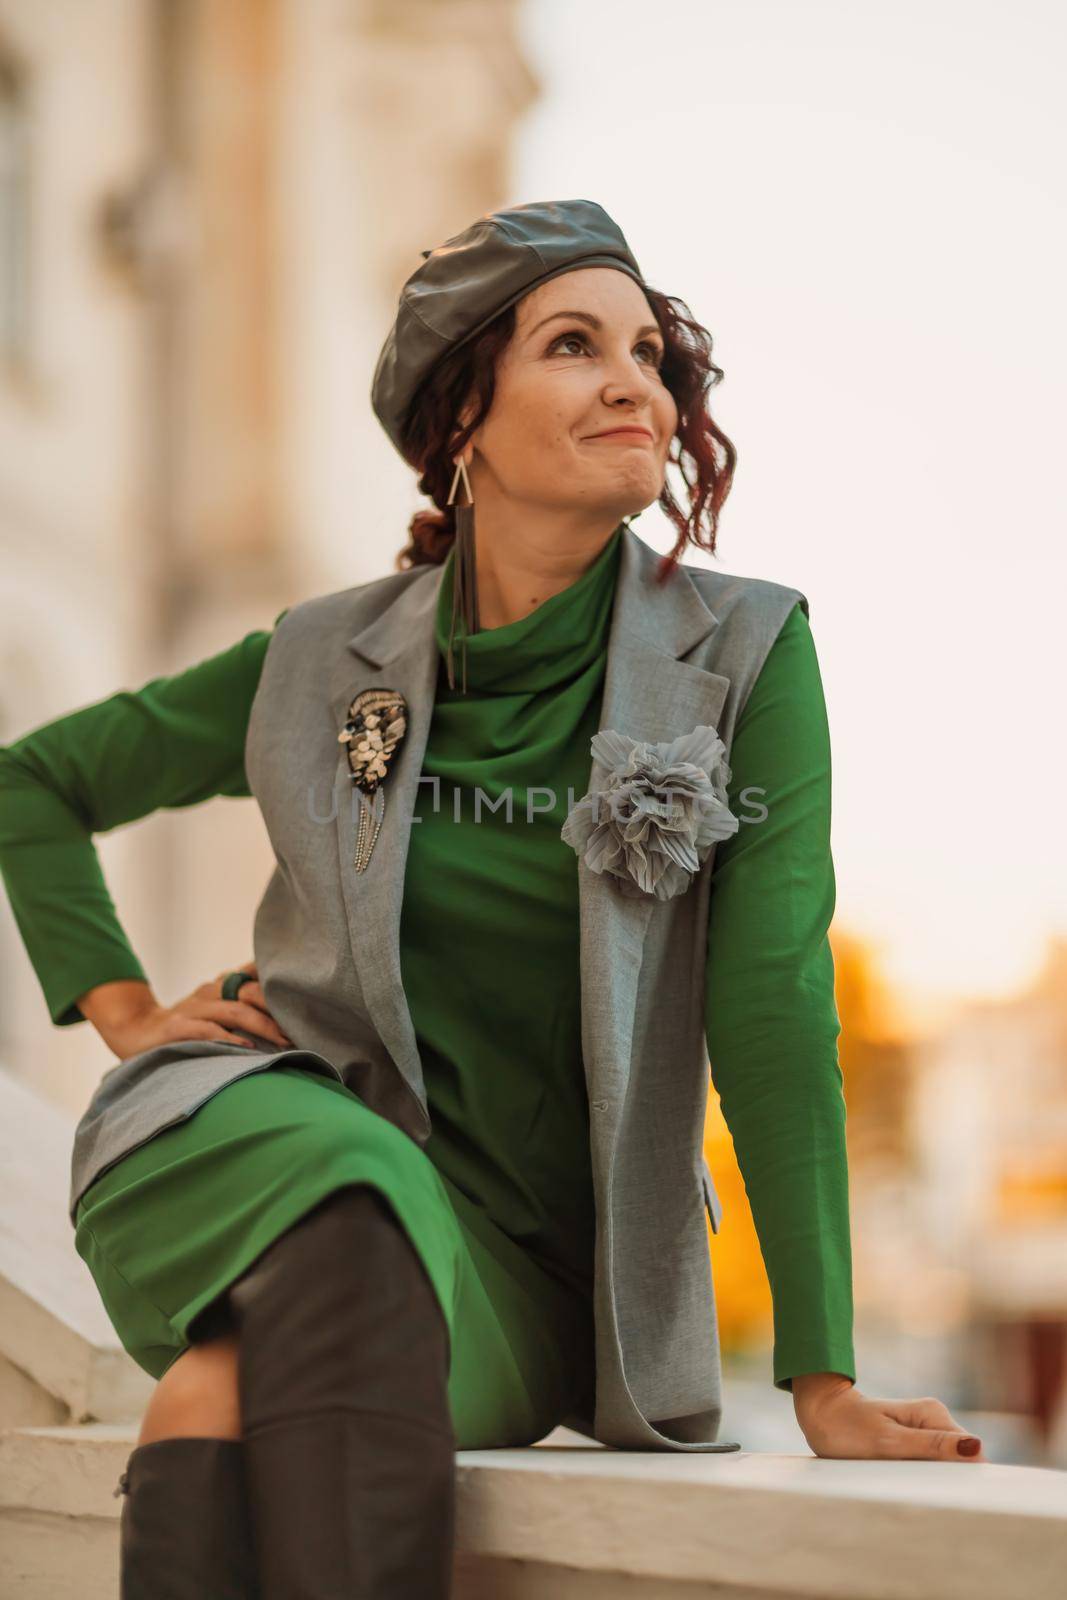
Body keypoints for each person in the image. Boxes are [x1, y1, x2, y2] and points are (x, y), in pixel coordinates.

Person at [0, 198, 986, 1600]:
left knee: (214, 1392)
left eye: (648, 350)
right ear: (461, 413)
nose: (633, 380)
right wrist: (123, 1011)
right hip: (262, 1143)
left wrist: (822, 1371)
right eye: (574, 346)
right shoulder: (319, 653)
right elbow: (30, 784)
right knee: (348, 1170)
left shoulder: (749, 654)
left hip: (514, 1274)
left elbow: (773, 1007)